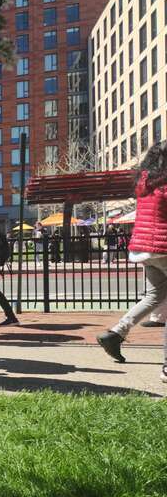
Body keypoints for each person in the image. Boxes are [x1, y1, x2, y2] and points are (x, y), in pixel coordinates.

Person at [98, 141, 167, 381]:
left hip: (144, 248)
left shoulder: (145, 183)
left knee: (154, 296)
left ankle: (116, 333)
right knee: (155, 296)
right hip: (163, 247)